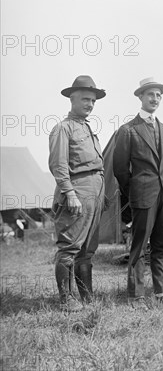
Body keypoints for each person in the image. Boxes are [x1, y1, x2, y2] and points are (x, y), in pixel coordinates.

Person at [113, 77, 163, 309]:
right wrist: (135, 190)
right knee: (139, 246)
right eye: (150, 94)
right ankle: (136, 296)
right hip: (143, 195)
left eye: (159, 95)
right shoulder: (128, 130)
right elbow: (120, 169)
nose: (155, 99)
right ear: (140, 97)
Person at [49, 75, 106, 312]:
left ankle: (86, 296)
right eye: (85, 99)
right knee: (70, 247)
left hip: (95, 191)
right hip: (77, 191)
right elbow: (58, 165)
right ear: (72, 99)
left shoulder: (87, 128)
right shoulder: (63, 128)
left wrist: (103, 193)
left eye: (93, 100)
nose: (90, 104)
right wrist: (70, 194)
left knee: (87, 250)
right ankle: (67, 299)